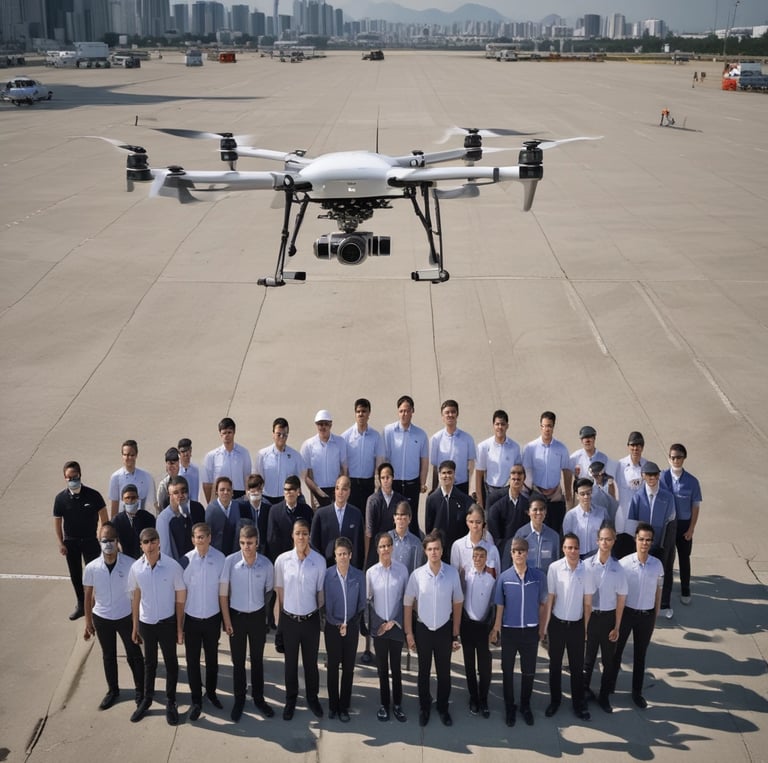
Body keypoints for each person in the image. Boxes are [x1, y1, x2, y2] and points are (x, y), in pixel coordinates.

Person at [404, 531, 464, 727]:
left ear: (441, 550)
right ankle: (424, 707)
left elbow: (457, 603)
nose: (434, 552)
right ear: (425, 551)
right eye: (430, 549)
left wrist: (456, 633)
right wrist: (409, 633)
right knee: (423, 672)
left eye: (437, 548)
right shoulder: (417, 575)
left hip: (444, 630)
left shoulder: (452, 573)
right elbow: (407, 604)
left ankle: (443, 708)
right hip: (423, 629)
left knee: (444, 672)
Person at [83, 521, 144, 710]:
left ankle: (141, 691)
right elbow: (87, 596)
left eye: (111, 540)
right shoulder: (92, 567)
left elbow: (138, 595)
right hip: (102, 619)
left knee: (134, 655)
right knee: (108, 655)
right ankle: (113, 690)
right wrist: (88, 622)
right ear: (99, 541)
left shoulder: (130, 565)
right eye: (104, 540)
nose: (107, 543)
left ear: (117, 541)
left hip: (125, 616)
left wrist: (137, 624)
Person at [128, 527, 186, 725]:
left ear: (159, 542)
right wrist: (135, 627)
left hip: (167, 623)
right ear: (141, 545)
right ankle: (147, 699)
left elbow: (180, 600)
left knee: (171, 663)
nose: (150, 546)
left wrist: (179, 628)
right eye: (146, 542)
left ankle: (171, 702)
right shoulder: (136, 568)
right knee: (149, 663)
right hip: (147, 624)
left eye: (153, 541)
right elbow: (135, 599)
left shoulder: (172, 567)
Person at [490, 537, 548, 727]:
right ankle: (509, 707)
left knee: (528, 671)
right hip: (510, 631)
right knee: (507, 671)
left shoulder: (538, 577)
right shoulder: (504, 578)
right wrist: (496, 628)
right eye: (515, 551)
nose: (519, 554)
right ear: (511, 553)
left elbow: (543, 604)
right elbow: (499, 605)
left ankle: (525, 705)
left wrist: (541, 627)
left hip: (530, 632)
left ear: (527, 553)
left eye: (522, 551)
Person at [219, 524, 275, 722]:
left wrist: (265, 618)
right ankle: (239, 699)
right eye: (242, 543)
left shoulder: (267, 565)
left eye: (250, 543)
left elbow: (269, 593)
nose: (246, 547)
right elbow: (223, 594)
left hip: (257, 618)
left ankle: (259, 698)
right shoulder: (230, 562)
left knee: (258, 660)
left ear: (257, 543)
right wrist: (227, 621)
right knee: (238, 661)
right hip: (236, 617)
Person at [274, 518, 326, 720]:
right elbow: (279, 592)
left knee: (311, 663)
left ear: (309, 535)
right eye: (298, 533)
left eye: (305, 533)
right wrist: (279, 625)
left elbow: (320, 594)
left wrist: (316, 617)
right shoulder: (282, 561)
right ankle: (291, 699)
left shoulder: (319, 561)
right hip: (289, 620)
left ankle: (313, 698)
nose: (301, 537)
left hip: (310, 620)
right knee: (290, 664)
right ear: (292, 535)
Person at [610, 522, 663, 709]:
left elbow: (658, 593)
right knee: (616, 652)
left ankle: (637, 693)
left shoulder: (657, 565)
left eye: (648, 540)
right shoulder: (624, 564)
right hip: (627, 614)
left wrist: (654, 617)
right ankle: (609, 687)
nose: (644, 543)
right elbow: (617, 593)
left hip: (646, 616)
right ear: (635, 540)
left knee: (640, 656)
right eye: (641, 539)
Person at [543, 533, 594, 721]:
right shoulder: (554, 568)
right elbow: (550, 599)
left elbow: (588, 604)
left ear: (579, 549)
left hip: (577, 626)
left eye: (575, 548)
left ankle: (578, 704)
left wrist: (586, 630)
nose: (572, 551)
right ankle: (555, 701)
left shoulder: (587, 571)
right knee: (555, 665)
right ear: (563, 549)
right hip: (557, 624)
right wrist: (546, 627)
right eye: (569, 547)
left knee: (576, 666)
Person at [53, 461, 108, 620]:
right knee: (76, 574)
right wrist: (60, 542)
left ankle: (98, 603)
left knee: (96, 573)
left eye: (74, 477)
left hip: (91, 540)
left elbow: (104, 517)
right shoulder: (60, 499)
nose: (72, 480)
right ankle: (81, 605)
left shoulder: (93, 495)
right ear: (65, 478)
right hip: (71, 542)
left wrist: (103, 537)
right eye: (69, 478)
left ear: (80, 475)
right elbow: (57, 521)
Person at [183, 522, 226, 721]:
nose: (200, 540)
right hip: (191, 618)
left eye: (204, 536)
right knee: (192, 661)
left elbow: (223, 592)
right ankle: (196, 699)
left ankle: (211, 693)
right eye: (197, 537)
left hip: (212, 618)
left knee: (212, 660)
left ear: (210, 538)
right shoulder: (185, 561)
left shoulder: (220, 559)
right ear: (193, 540)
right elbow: (180, 594)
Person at [583, 523, 627, 714]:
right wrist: (583, 625)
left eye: (609, 539)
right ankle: (583, 693)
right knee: (588, 659)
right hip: (591, 616)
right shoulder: (586, 566)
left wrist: (617, 626)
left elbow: (621, 600)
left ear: (614, 541)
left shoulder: (618, 568)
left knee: (609, 661)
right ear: (597, 541)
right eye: (602, 539)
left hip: (608, 618)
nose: (605, 542)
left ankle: (604, 696)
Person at [367, 532, 409, 722]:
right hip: (379, 629)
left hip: (396, 626)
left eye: (388, 546)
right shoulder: (371, 573)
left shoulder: (402, 571)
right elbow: (368, 601)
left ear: (393, 548)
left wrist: (393, 622)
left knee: (396, 668)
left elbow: (405, 600)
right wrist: (379, 625)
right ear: (377, 549)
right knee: (382, 669)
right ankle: (384, 704)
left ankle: (398, 704)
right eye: (381, 546)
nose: (385, 549)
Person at [323, 537, 366, 722]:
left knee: (348, 668)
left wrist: (350, 623)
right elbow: (323, 604)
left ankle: (344, 706)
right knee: (333, 667)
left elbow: (362, 603)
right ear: (335, 556)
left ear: (350, 555)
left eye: (345, 554)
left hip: (351, 627)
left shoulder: (359, 576)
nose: (342, 557)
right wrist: (336, 623)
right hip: (332, 627)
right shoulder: (327, 575)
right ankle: (333, 705)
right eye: (339, 554)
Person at [627, 462, 676, 619]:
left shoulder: (667, 497)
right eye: (649, 475)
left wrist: (666, 546)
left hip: (660, 544)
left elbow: (670, 521)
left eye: (655, 475)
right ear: (643, 476)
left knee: (664, 573)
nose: (652, 478)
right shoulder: (637, 497)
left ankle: (663, 604)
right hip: (642, 545)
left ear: (658, 476)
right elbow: (632, 522)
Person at [660, 443, 702, 606]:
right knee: (667, 559)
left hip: (684, 525)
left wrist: (691, 528)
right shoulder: (663, 477)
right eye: (672, 457)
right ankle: (666, 590)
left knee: (684, 558)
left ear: (684, 458)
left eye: (678, 457)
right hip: (669, 524)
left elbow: (696, 506)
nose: (675, 460)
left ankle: (685, 587)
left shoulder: (692, 481)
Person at [383, 395, 429, 537]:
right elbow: (384, 458)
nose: (404, 414)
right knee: (393, 518)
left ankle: (414, 550)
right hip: (393, 483)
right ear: (398, 412)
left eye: (407, 411)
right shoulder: (388, 431)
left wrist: (422, 482)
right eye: (401, 411)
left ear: (412, 411)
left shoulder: (420, 434)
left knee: (411, 518)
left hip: (412, 483)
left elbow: (424, 460)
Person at [459, 546, 495, 717]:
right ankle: (473, 697)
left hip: (483, 627)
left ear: (486, 558)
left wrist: (493, 627)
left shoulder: (491, 579)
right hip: (467, 625)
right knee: (469, 665)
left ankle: (484, 698)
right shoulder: (465, 575)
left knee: (484, 666)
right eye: (475, 556)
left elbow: (494, 605)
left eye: (481, 556)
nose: (478, 559)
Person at [522, 411, 573, 533]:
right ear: (541, 426)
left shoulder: (561, 448)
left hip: (555, 496)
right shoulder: (530, 448)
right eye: (544, 426)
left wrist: (568, 495)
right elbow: (526, 472)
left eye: (549, 426)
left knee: (555, 529)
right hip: (537, 493)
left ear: (553, 427)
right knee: (536, 528)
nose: (546, 429)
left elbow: (566, 471)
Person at [310, 475, 365, 568]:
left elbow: (359, 545)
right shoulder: (321, 514)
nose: (340, 492)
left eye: (344, 489)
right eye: (337, 488)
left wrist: (358, 568)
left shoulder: (356, 514)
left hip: (349, 567)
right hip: (326, 566)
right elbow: (314, 544)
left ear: (349, 492)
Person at [425, 460, 474, 563]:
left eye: (449, 472)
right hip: (439, 549)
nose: (446, 476)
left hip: (458, 548)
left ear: (454, 474)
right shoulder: (432, 499)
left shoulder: (464, 499)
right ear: (439, 475)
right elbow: (428, 527)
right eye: (443, 473)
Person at [342, 398, 385, 512]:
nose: (361, 414)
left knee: (368, 515)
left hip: (368, 483)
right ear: (355, 413)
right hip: (352, 483)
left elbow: (379, 461)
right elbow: (343, 463)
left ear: (369, 413)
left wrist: (377, 483)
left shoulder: (376, 436)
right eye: (358, 411)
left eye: (364, 411)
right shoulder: (346, 437)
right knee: (352, 515)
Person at [474, 409, 522, 509]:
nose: (500, 427)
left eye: (503, 424)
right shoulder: (483, 447)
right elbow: (479, 476)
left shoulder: (515, 447)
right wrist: (480, 502)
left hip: (508, 491)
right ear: (493, 425)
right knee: (491, 523)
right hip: (490, 492)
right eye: (497, 424)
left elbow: (518, 473)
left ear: (507, 426)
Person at [301, 409, 348, 508]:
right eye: (320, 424)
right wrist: (317, 491)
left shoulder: (340, 442)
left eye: (325, 424)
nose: (323, 427)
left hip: (335, 490)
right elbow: (306, 476)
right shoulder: (308, 445)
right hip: (317, 490)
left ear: (330, 425)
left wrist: (340, 489)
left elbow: (344, 469)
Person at [364, 462, 406, 569]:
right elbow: (369, 531)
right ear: (379, 479)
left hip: (395, 547)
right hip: (376, 548)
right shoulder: (372, 500)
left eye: (388, 477)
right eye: (383, 477)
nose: (385, 480)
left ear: (393, 477)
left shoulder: (400, 500)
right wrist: (367, 557)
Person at [430, 399, 476, 495]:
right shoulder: (435, 439)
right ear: (442, 416)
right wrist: (433, 489)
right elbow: (434, 467)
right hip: (442, 487)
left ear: (457, 414)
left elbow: (472, 467)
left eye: (453, 412)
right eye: (447, 412)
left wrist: (472, 490)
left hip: (462, 486)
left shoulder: (467, 439)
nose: (450, 415)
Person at [156, 476, 205, 567]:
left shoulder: (197, 509)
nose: (180, 495)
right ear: (169, 495)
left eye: (183, 491)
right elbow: (166, 552)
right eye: (175, 493)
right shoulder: (164, 519)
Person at [256, 417, 305, 505]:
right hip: (267, 499)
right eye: (278, 434)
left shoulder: (295, 456)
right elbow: (259, 478)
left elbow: (297, 480)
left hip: (286, 499)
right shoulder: (262, 455)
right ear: (273, 434)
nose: (281, 437)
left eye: (284, 434)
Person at [202, 417, 252, 502]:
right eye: (224, 433)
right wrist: (211, 503)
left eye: (229, 432)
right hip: (220, 495)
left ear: (234, 432)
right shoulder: (211, 456)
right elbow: (207, 483)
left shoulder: (244, 453)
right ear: (220, 434)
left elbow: (247, 477)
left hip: (239, 495)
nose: (227, 436)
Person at [614, 431, 647, 558]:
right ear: (628, 446)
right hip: (622, 519)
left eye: (638, 445)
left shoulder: (646, 466)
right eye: (632, 445)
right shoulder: (620, 465)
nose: (635, 448)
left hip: (639, 519)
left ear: (642, 447)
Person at [266, 475, 314, 561]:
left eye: (291, 489)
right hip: (282, 558)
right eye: (285, 489)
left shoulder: (306, 510)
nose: (288, 492)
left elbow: (311, 536)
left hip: (303, 557)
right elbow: (272, 539)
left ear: (298, 491)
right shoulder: (274, 511)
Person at [486, 465, 529, 557]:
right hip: (502, 549)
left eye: (519, 474)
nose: (516, 477)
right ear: (509, 477)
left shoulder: (528, 503)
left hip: (522, 550)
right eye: (513, 473)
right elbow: (493, 529)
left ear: (524, 478)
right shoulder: (496, 500)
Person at [511, 495, 560, 574]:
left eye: (541, 509)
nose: (538, 513)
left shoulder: (554, 536)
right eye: (535, 510)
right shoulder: (521, 534)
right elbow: (515, 560)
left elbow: (556, 562)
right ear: (528, 512)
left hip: (546, 579)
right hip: (527, 579)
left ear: (545, 512)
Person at [108, 439, 157, 517]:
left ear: (136, 455)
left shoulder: (147, 477)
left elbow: (151, 504)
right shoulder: (115, 477)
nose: (128, 458)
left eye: (132, 455)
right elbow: (114, 505)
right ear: (122, 455)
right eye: (125, 455)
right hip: (123, 522)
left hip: (142, 521)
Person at [562, 478, 608, 559]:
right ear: (577, 495)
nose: (586, 497)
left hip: (597, 557)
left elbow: (608, 535)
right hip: (576, 557)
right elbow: (567, 541)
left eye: (588, 493)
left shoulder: (602, 513)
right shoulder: (570, 516)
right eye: (582, 494)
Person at [450, 504, 501, 576]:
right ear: (467, 522)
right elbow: (454, 575)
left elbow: (497, 575)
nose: (474, 526)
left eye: (478, 522)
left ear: (483, 522)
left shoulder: (492, 549)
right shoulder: (458, 546)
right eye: (471, 522)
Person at [569, 426, 614, 502]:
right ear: (581, 440)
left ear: (594, 439)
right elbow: (569, 477)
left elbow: (608, 480)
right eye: (585, 438)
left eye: (590, 437)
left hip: (598, 499)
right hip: (582, 498)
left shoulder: (603, 458)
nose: (587, 440)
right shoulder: (574, 458)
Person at [112, 483, 155, 560]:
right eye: (127, 498)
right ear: (122, 499)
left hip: (145, 560)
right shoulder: (117, 521)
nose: (130, 501)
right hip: (124, 561)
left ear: (137, 498)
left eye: (133, 498)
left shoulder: (148, 518)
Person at [205, 476, 242, 555]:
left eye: (228, 490)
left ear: (232, 492)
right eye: (222, 490)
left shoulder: (237, 506)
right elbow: (207, 534)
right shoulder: (211, 509)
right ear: (216, 492)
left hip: (234, 551)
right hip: (216, 552)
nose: (225, 492)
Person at [389, 501, 425, 573]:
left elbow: (418, 568)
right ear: (394, 518)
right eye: (399, 518)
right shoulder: (387, 538)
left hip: (409, 582)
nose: (401, 522)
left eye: (404, 518)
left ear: (409, 519)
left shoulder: (416, 542)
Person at [156, 447, 180, 512]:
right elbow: (160, 507)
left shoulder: (186, 480)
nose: (171, 466)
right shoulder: (163, 485)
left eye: (173, 463)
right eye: (168, 463)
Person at [177, 437, 200, 502]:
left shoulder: (196, 470)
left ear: (191, 450)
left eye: (187, 450)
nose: (186, 454)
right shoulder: (176, 470)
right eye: (183, 451)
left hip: (193, 506)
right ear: (179, 453)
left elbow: (196, 493)